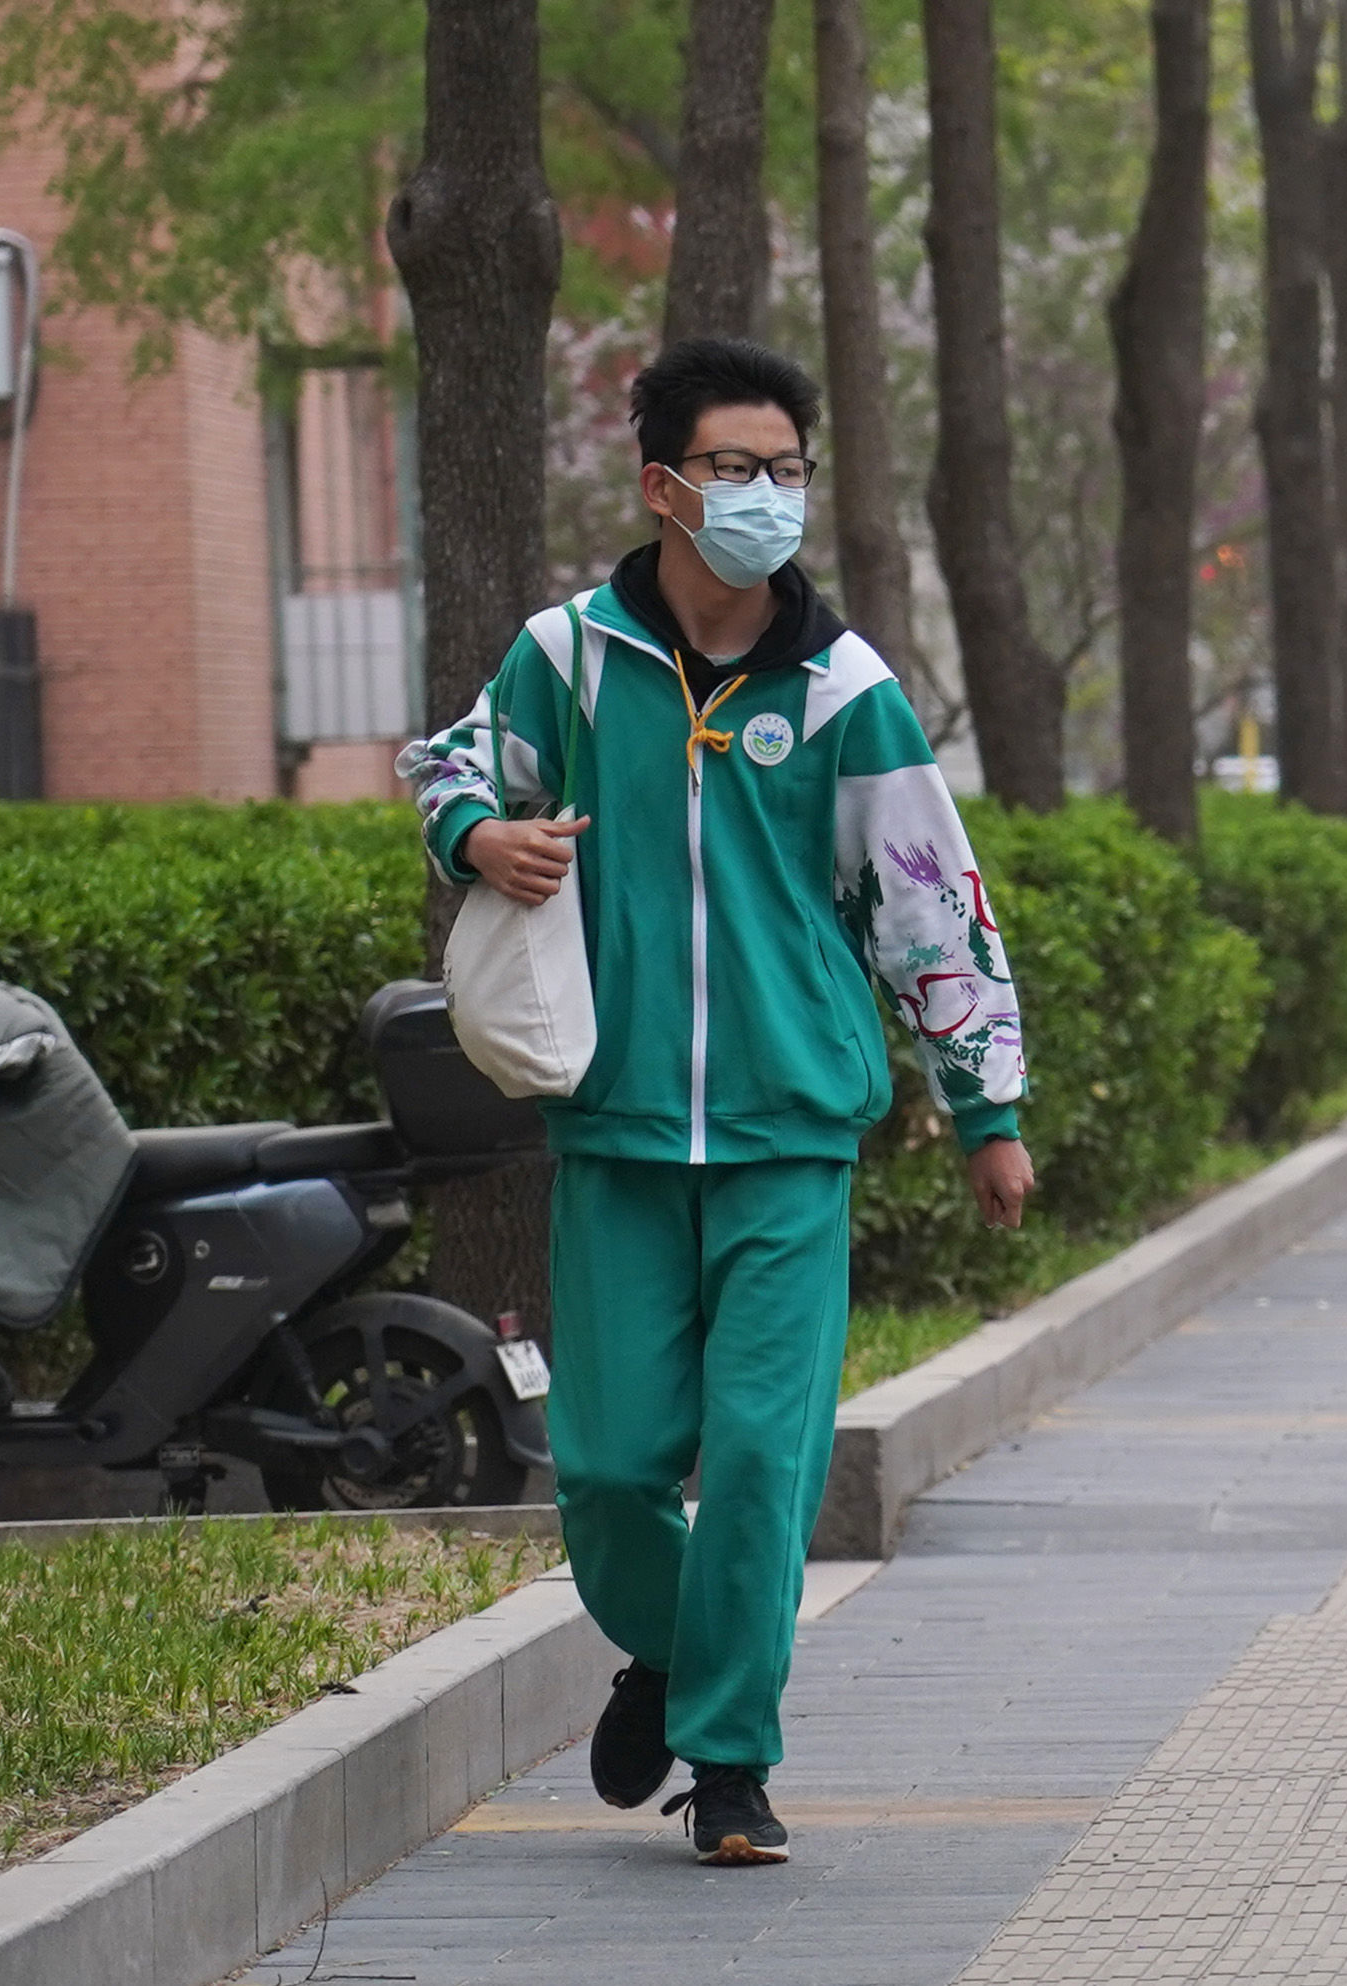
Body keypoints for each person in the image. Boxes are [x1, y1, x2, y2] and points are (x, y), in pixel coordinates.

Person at [400, 338, 1034, 1864]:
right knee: (615, 1464)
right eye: (736, 469)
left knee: (760, 1456)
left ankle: (731, 1761)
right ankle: (678, 1651)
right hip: (613, 1122)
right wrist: (479, 838)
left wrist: (985, 1103)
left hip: (789, 1124)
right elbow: (453, 768)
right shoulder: (565, 656)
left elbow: (925, 899)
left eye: (786, 470)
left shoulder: (842, 685)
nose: (765, 496)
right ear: (664, 486)